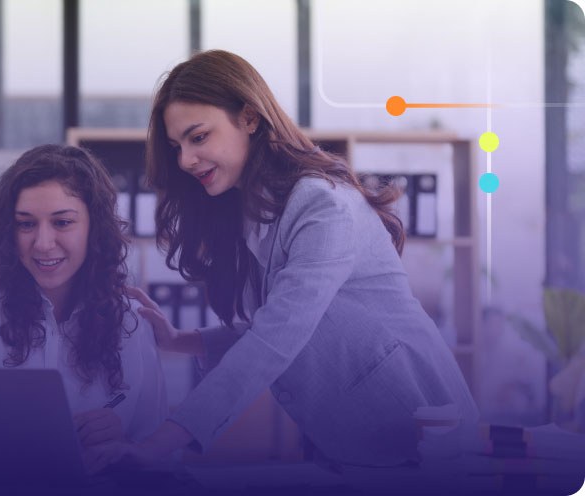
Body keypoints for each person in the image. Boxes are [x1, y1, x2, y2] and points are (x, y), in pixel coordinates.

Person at [83, 50, 479, 473]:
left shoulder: (322, 206)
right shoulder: (250, 212)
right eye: (177, 146)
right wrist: (182, 340)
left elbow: (277, 338)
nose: (184, 160)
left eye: (198, 137)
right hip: (351, 443)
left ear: (250, 119)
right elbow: (280, 327)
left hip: (423, 434)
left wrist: (158, 443)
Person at [0, 144, 167, 449]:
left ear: (95, 227)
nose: (43, 244)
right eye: (26, 224)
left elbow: (154, 441)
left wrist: (124, 443)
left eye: (62, 222)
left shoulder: (128, 307)